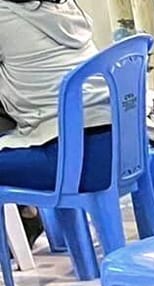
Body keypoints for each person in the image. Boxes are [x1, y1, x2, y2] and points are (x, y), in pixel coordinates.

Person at [0, 0, 110, 192]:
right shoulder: (66, 8)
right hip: (122, 146)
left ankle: (31, 212)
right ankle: (31, 212)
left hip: (69, 161)